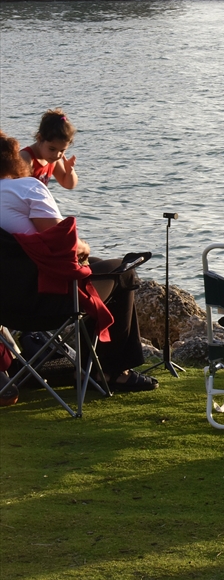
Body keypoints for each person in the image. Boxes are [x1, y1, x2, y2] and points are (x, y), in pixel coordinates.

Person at [0, 132, 153, 394]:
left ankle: (90, 367)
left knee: (97, 264)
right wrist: (84, 246)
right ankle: (111, 371)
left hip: (6, 306)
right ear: (13, 160)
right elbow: (63, 243)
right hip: (48, 300)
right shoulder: (27, 187)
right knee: (122, 271)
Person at [19, 109, 79, 189]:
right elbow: (17, 189)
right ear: (39, 138)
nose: (57, 155)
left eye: (62, 150)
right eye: (52, 149)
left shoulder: (52, 159)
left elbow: (68, 185)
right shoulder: (25, 158)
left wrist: (69, 171)